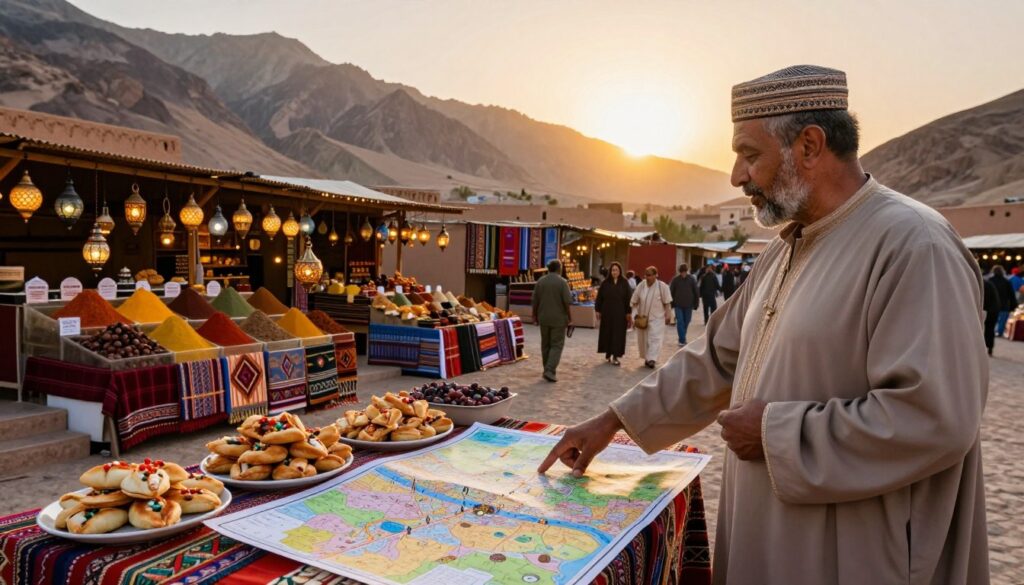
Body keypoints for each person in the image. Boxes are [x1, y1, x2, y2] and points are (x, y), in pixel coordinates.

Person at [539, 65, 989, 584]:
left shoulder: (914, 245)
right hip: (768, 536)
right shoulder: (785, 249)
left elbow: (935, 417)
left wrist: (776, 435)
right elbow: (714, 360)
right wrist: (612, 420)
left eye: (750, 155)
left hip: (855, 552)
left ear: (810, 145)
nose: (736, 176)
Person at [531, 259, 572, 382]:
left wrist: (534, 316)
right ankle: (549, 370)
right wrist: (570, 318)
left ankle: (547, 369)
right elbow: (567, 302)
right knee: (557, 345)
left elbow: (535, 301)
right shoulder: (562, 282)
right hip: (559, 319)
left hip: (543, 317)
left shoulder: (540, 281)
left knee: (545, 345)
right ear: (559, 268)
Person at [630, 266, 672, 368]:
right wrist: (634, 315)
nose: (647, 277)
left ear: (655, 275)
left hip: (657, 319)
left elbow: (667, 303)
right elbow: (634, 301)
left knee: (655, 339)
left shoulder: (662, 287)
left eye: (649, 275)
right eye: (646, 275)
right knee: (644, 340)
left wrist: (668, 315)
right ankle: (647, 358)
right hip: (642, 319)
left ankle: (652, 359)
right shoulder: (641, 285)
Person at [595, 261, 631, 365]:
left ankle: (616, 356)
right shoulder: (605, 283)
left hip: (620, 313)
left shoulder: (624, 283)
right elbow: (599, 298)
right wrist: (598, 310)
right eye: (613, 270)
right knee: (607, 332)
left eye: (616, 270)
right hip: (607, 312)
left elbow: (629, 298)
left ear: (620, 271)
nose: (614, 272)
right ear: (610, 271)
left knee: (618, 334)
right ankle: (608, 352)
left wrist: (628, 312)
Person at [669, 263, 699, 346]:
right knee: (680, 322)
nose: (683, 274)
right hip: (678, 304)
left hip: (689, 304)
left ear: (687, 271)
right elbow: (671, 292)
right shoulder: (675, 280)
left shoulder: (692, 279)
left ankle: (682, 337)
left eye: (685, 272)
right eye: (682, 272)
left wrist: (696, 303)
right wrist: (671, 304)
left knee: (687, 321)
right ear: (680, 272)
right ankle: (682, 340)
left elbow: (696, 291)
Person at [988, 265, 1018, 336]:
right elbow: (1011, 294)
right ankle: (999, 332)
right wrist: (1014, 305)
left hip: (992, 305)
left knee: (992, 320)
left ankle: (991, 331)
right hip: (1004, 305)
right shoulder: (1007, 282)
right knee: (1002, 320)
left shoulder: (990, 281)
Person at [983, 275, 1000, 355]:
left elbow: (983, 300)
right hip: (994, 310)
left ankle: (984, 347)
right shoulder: (989, 284)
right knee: (990, 329)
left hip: (987, 310)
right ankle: (990, 348)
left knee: (983, 329)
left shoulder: (983, 285)